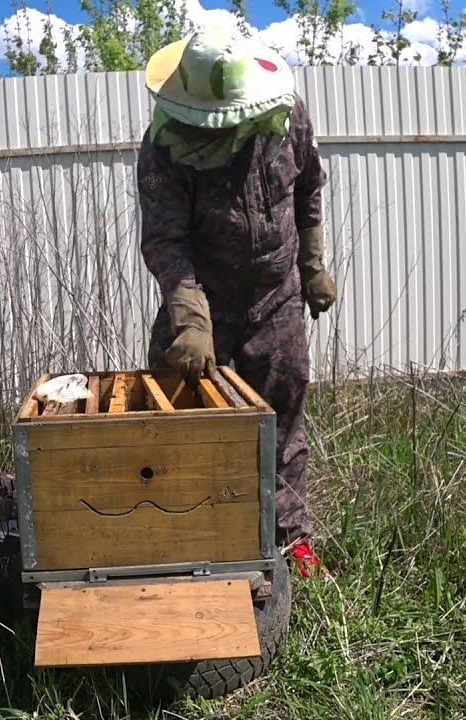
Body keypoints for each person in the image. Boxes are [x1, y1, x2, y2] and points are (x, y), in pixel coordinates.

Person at [137, 27, 338, 577]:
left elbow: (308, 187)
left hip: (277, 302)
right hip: (202, 307)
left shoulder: (287, 117)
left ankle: (291, 544)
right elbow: (165, 239)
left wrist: (312, 264)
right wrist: (190, 320)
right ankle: (186, 548)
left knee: (282, 428)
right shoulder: (164, 146)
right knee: (179, 428)